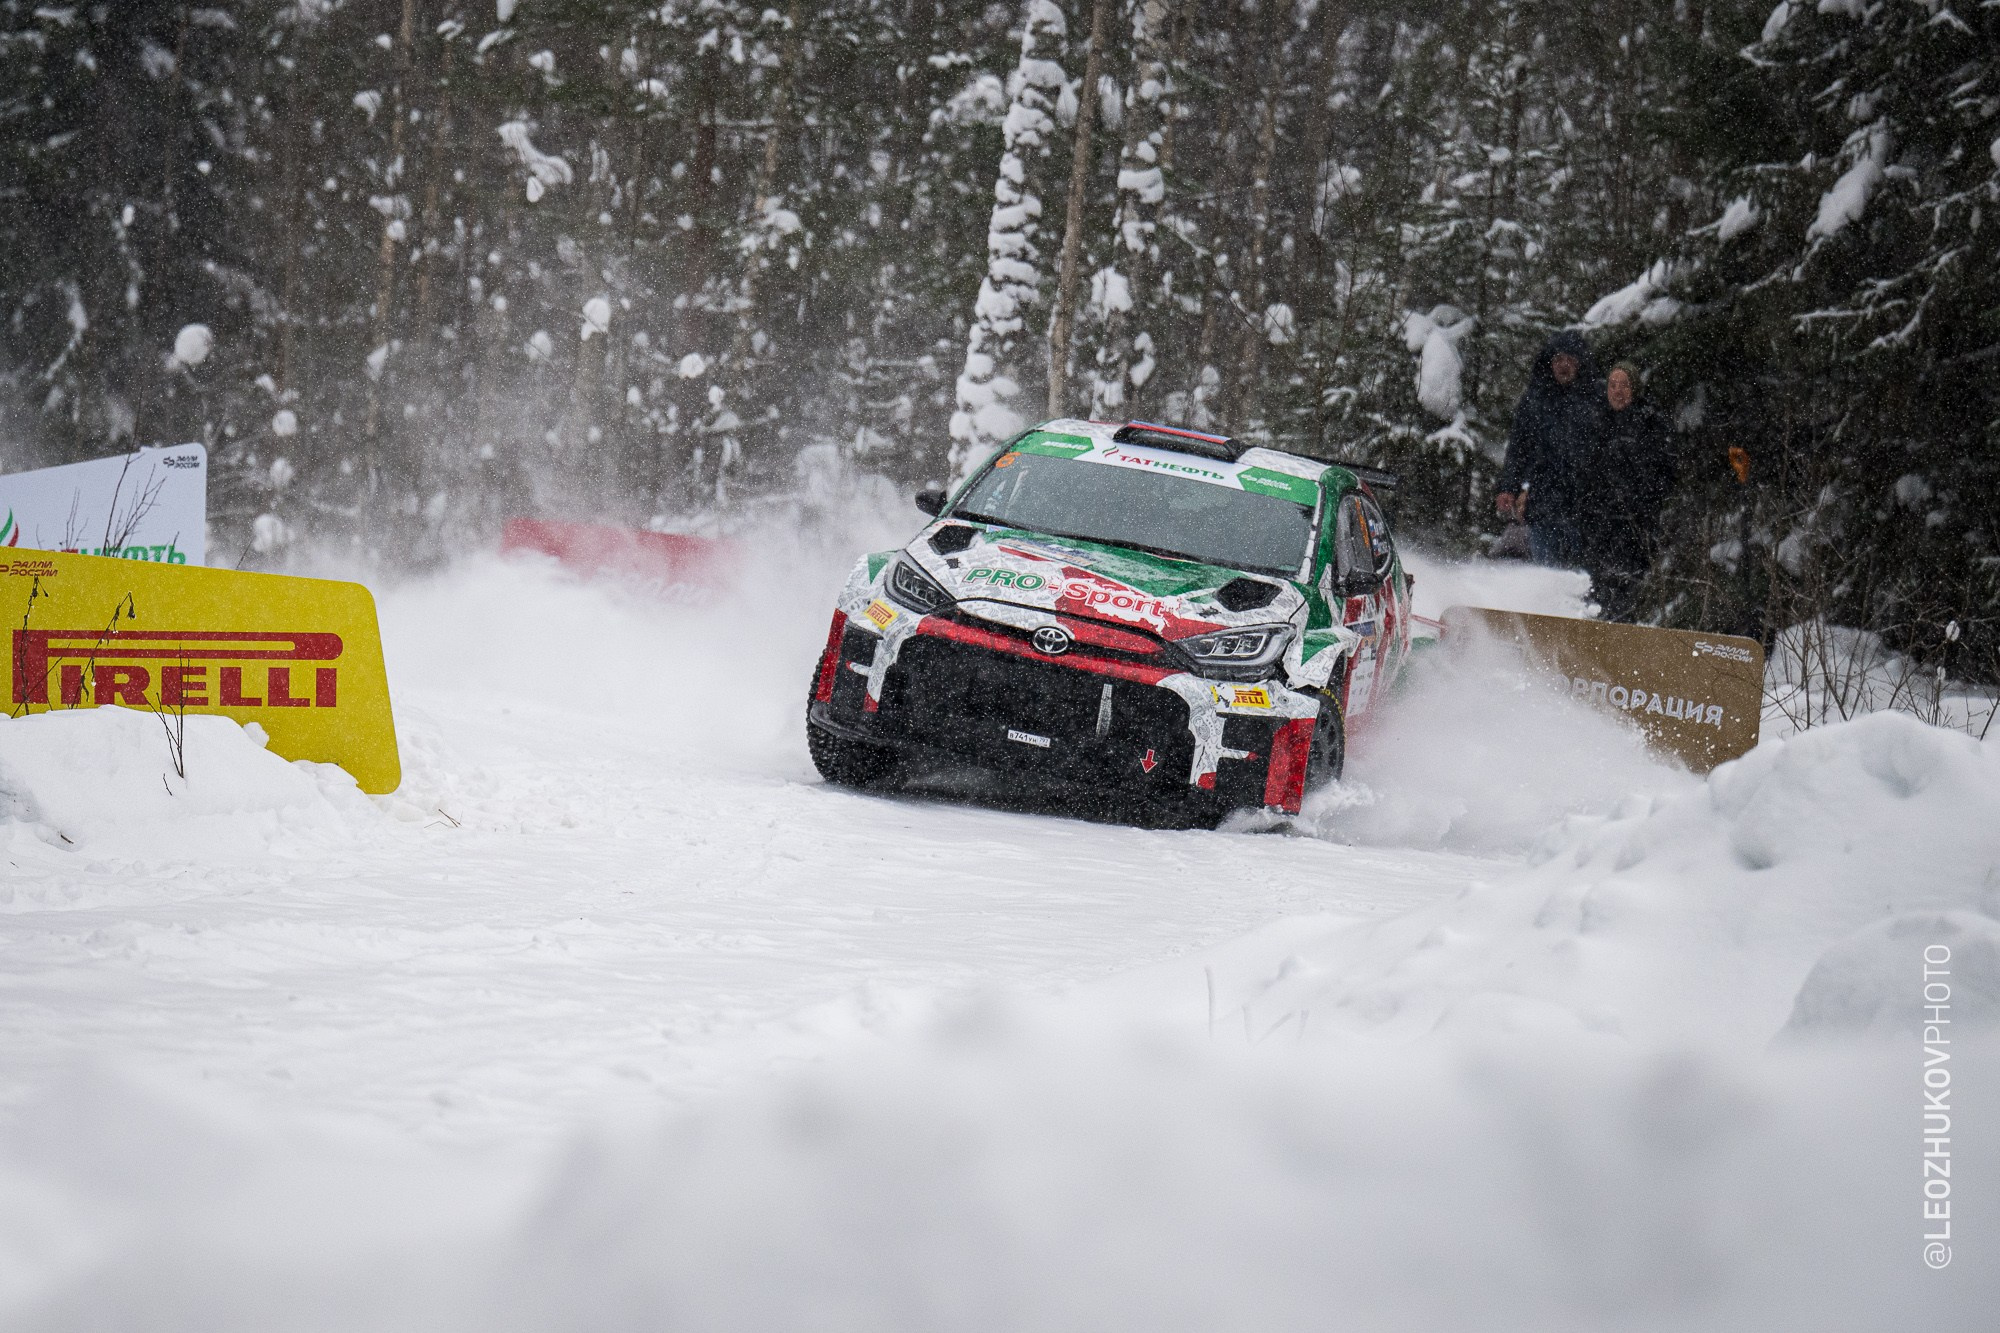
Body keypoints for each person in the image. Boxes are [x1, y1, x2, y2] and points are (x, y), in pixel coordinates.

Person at [1495, 330, 1602, 568]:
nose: (1563, 366)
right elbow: (1518, 448)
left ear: (1579, 363)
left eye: (1570, 360)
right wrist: (1508, 488)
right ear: (1549, 363)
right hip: (1544, 504)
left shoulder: (1595, 399)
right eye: (1558, 360)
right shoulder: (1534, 400)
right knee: (1546, 571)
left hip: (1585, 507)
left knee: (1582, 577)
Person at [1581, 361, 1676, 622]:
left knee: (1625, 588)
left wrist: (1641, 502)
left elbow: (1664, 472)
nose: (1617, 391)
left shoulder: (1650, 421)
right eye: (1613, 385)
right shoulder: (1597, 421)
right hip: (1598, 524)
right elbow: (1584, 472)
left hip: (1635, 525)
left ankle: (1620, 637)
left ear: (1634, 389)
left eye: (1624, 385)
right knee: (1594, 587)